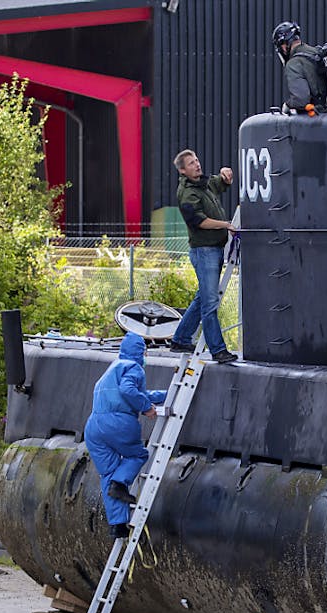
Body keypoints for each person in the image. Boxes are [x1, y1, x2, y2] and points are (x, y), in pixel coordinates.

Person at [84, 331, 168, 537]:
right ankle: (121, 482)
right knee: (137, 455)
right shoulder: (134, 367)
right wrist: (146, 407)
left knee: (108, 473)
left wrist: (165, 395)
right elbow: (128, 390)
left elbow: (135, 392)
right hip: (118, 422)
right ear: (139, 352)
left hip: (94, 426)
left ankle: (118, 525)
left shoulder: (113, 368)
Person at [168, 149, 238, 365]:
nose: (197, 165)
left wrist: (226, 174)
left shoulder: (202, 184)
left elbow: (219, 182)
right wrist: (226, 225)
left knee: (203, 298)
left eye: (196, 160)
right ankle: (218, 350)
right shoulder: (187, 194)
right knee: (209, 303)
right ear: (182, 170)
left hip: (214, 249)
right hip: (204, 251)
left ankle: (180, 339)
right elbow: (199, 221)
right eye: (191, 163)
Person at [271, 21, 327, 113]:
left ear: (284, 44)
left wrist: (288, 105)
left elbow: (301, 99)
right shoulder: (318, 53)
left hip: (318, 116)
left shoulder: (293, 64)